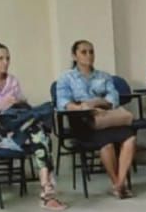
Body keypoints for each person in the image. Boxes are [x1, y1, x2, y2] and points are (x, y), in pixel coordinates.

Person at [0, 41, 66, 211]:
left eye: (8, 58)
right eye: (0, 58)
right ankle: (47, 193)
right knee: (41, 138)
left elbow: (21, 107)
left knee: (38, 133)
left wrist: (20, 103)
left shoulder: (12, 80)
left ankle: (47, 192)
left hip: (14, 127)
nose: (5, 62)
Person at [53, 39, 138, 199]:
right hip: (83, 120)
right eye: (84, 52)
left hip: (106, 116)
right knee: (106, 144)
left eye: (91, 52)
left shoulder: (103, 76)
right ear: (74, 55)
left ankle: (120, 183)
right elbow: (62, 102)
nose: (89, 55)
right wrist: (81, 108)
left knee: (130, 137)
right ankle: (117, 184)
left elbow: (113, 97)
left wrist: (99, 102)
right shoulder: (66, 77)